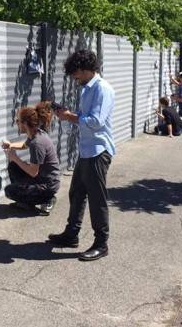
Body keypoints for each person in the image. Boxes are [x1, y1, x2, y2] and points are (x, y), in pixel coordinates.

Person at [48, 50, 115, 262]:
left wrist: (70, 116)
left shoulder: (102, 89)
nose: (74, 77)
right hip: (86, 150)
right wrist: (69, 115)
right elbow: (84, 117)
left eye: (75, 73)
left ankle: (101, 243)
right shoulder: (87, 88)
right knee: (76, 193)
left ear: (86, 69)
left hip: (98, 151)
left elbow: (96, 121)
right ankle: (71, 234)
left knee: (97, 199)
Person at [2, 102, 60, 216]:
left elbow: (33, 172)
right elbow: (24, 145)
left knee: (10, 191)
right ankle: (26, 202)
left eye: (18, 121)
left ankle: (47, 199)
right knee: (13, 167)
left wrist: (15, 158)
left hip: (47, 185)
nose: (16, 123)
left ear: (24, 124)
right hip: (42, 178)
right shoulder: (36, 134)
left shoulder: (37, 143)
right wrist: (11, 145)